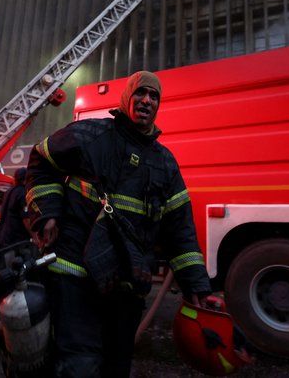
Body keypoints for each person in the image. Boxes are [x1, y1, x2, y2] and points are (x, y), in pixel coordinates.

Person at [25, 70, 212, 378]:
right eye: (141, 93)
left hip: (125, 288)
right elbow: (42, 159)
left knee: (116, 367)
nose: (147, 101)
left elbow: (180, 231)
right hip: (76, 278)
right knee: (78, 366)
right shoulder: (89, 136)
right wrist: (48, 212)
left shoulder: (165, 164)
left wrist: (197, 286)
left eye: (154, 97)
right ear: (127, 97)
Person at [0, 167, 32, 248]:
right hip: (16, 241)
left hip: (4, 238)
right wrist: (35, 237)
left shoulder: (8, 192)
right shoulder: (23, 194)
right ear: (26, 179)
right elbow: (26, 219)